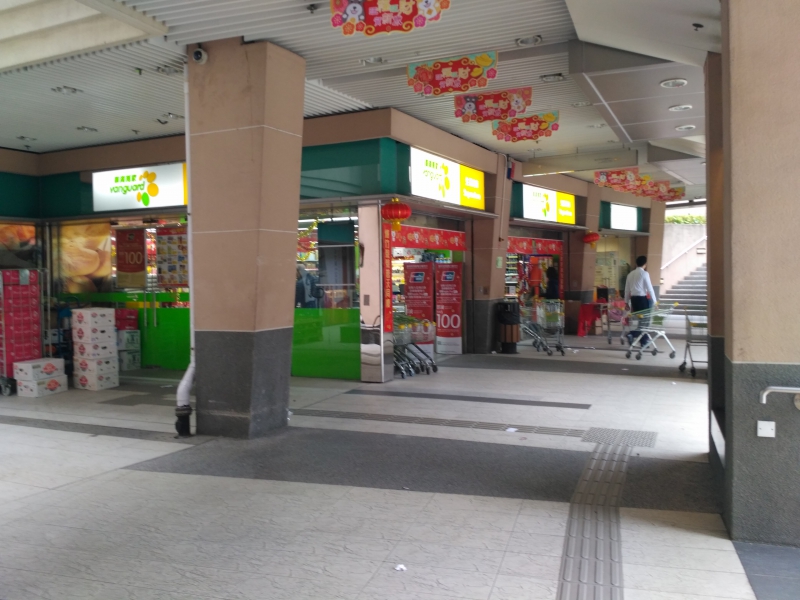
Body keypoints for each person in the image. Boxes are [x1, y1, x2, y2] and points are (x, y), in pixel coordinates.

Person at [624, 255, 657, 320]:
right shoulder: (645, 274)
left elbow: (627, 290)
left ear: (636, 264)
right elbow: (650, 289)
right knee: (644, 320)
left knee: (637, 319)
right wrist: (655, 302)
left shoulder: (630, 274)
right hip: (642, 300)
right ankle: (639, 327)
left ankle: (637, 326)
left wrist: (626, 302)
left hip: (633, 300)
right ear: (645, 264)